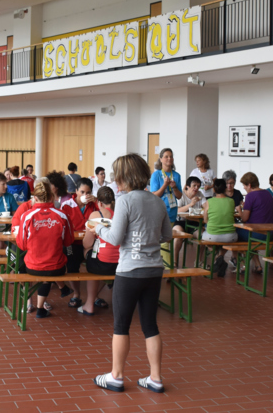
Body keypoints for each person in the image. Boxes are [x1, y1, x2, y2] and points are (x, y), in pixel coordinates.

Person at [90, 153, 172, 394]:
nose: (116, 182)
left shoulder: (125, 201)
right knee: (150, 325)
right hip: (154, 270)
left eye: (118, 177)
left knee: (121, 325)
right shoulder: (157, 201)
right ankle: (155, 378)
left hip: (129, 271)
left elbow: (114, 238)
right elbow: (166, 235)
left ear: (126, 177)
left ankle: (116, 376)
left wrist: (98, 229)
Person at [16, 179, 75, 318]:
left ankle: (32, 305)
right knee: (49, 269)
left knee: (25, 266)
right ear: (52, 197)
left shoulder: (27, 216)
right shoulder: (62, 215)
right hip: (56, 266)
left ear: (35, 198)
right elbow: (68, 241)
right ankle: (41, 308)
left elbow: (22, 245)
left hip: (33, 265)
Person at [60, 177, 99, 307]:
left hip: (91, 242)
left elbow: (105, 215)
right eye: (82, 192)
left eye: (88, 193)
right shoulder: (66, 205)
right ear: (76, 191)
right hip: (73, 242)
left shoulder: (94, 205)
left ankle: (94, 296)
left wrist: (97, 202)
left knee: (96, 265)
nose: (85, 195)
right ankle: (76, 294)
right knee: (71, 266)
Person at [79, 186, 117, 315]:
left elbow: (87, 243)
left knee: (89, 251)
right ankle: (95, 297)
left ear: (99, 203)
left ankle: (89, 304)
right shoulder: (120, 215)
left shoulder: (96, 215)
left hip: (102, 264)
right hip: (121, 264)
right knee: (97, 254)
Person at [237, 172, 273, 273]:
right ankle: (257, 264)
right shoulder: (268, 194)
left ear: (249, 185)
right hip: (269, 233)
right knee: (249, 238)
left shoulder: (251, 195)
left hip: (256, 234)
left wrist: (239, 210)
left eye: (244, 186)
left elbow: (245, 218)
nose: (244, 188)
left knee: (234, 233)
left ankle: (241, 265)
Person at [201, 179, 237, 277]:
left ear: (214, 189)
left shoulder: (209, 201)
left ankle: (218, 258)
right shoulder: (231, 201)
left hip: (212, 236)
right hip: (231, 236)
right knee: (224, 241)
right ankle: (220, 257)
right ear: (225, 188)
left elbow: (205, 220)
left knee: (202, 237)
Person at [149, 148, 182, 226]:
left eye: (171, 156)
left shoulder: (176, 175)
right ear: (161, 159)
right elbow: (154, 196)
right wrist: (165, 185)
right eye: (166, 156)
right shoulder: (156, 175)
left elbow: (179, 196)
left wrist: (174, 187)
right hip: (158, 211)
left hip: (172, 211)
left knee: (169, 236)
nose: (169, 158)